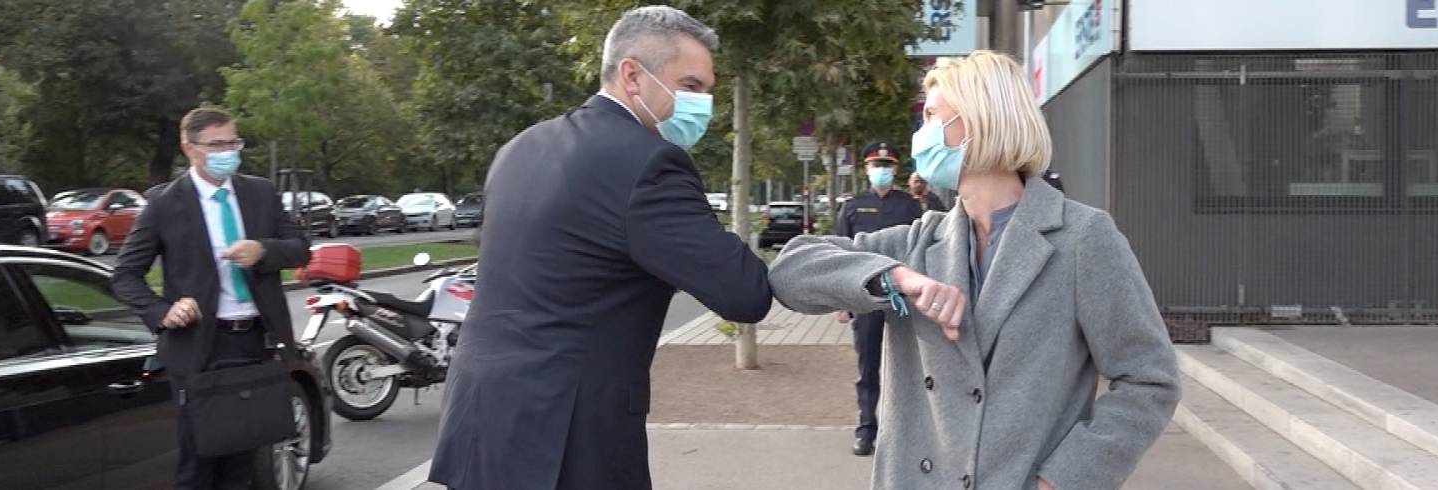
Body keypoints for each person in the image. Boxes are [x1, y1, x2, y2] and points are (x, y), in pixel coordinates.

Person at [769, 51, 1180, 490]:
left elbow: (1148, 379)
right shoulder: (917, 242)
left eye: (932, 116)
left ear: (981, 119)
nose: (921, 134)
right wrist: (899, 279)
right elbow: (790, 270)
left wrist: (1062, 480)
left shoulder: (1081, 238)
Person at [428, 6, 772, 489]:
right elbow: (744, 292)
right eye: (691, 85)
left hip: (479, 423)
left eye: (708, 90)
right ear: (632, 75)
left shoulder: (520, 148)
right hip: (565, 440)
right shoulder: (649, 163)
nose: (703, 104)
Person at [111, 108, 309, 490]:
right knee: (199, 462)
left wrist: (263, 250)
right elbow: (125, 275)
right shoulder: (164, 204)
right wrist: (163, 311)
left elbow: (301, 248)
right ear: (190, 148)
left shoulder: (260, 193)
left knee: (243, 460)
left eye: (233, 143)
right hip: (200, 345)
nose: (228, 152)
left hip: (254, 341)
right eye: (217, 145)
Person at [832, 142, 922, 457]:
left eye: (887, 165)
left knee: (907, 366)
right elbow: (841, 254)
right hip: (865, 295)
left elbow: (920, 249)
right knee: (868, 366)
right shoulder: (852, 207)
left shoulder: (910, 206)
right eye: (876, 165)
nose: (881, 170)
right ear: (866, 169)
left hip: (902, 297)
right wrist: (841, 301)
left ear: (895, 169)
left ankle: (905, 432)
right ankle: (866, 430)